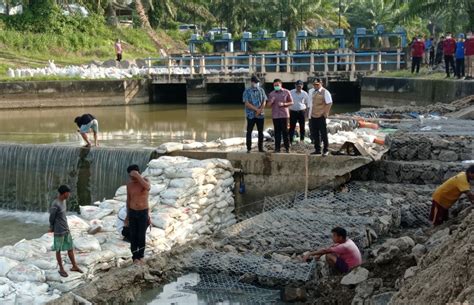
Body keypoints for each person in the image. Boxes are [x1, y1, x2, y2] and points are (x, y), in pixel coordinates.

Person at [49, 185, 83, 278]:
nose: (69, 195)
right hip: (59, 231)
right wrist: (51, 227)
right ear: (64, 193)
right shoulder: (55, 204)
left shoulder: (64, 201)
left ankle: (74, 266)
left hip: (66, 229)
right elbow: (51, 217)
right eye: (68, 193)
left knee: (70, 248)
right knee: (58, 250)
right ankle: (61, 268)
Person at [125, 164, 151, 264]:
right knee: (133, 235)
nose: (131, 177)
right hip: (132, 212)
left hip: (143, 212)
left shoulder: (145, 181)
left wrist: (137, 175)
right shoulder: (129, 185)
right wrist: (127, 216)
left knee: (141, 235)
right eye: (130, 175)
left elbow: (148, 187)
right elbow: (128, 200)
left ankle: (141, 255)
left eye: (132, 175)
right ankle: (135, 257)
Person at [267, 79, 293, 153]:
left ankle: (287, 148)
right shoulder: (271, 94)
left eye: (277, 85)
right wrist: (271, 101)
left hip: (284, 115)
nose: (276, 86)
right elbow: (268, 105)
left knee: (285, 132)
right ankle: (277, 148)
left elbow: (292, 102)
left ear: (281, 85)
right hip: (275, 116)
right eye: (275, 85)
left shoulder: (286, 92)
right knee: (277, 133)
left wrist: (284, 104)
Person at [307, 78, 333, 156]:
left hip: (321, 116)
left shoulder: (325, 92)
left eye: (317, 84)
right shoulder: (311, 91)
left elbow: (329, 103)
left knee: (323, 133)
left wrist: (325, 113)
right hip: (312, 115)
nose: (316, 86)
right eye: (314, 84)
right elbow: (309, 103)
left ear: (321, 84)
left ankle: (326, 149)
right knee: (315, 133)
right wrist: (308, 113)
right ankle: (317, 149)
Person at [243, 75, 267, 153]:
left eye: (258, 82)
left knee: (261, 132)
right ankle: (249, 148)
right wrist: (257, 110)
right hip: (251, 115)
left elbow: (264, 101)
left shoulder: (261, 90)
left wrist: (260, 110)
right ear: (252, 82)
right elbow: (247, 104)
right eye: (255, 82)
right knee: (249, 131)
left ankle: (260, 148)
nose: (257, 83)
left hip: (260, 115)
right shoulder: (247, 91)